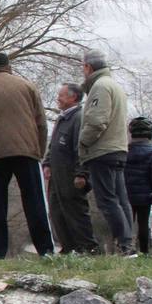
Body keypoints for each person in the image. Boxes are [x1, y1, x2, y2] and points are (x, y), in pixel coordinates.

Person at [0, 51, 55, 258]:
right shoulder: (27, 86)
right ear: (9, 66)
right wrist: (38, 151)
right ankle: (46, 250)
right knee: (35, 202)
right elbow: (41, 123)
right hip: (27, 151)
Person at [75, 48, 135, 255]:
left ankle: (125, 245)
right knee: (121, 199)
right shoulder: (114, 85)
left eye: (83, 67)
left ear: (88, 67)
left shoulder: (100, 87)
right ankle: (130, 245)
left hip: (103, 151)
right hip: (118, 149)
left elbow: (97, 121)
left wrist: (82, 143)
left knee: (107, 200)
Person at [42, 83, 97, 254]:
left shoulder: (78, 118)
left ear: (73, 98)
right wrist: (47, 163)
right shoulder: (62, 118)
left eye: (62, 95)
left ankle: (87, 248)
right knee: (57, 212)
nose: (58, 98)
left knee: (76, 212)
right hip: (57, 176)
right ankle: (68, 248)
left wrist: (81, 173)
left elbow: (82, 148)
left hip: (71, 175)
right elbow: (53, 146)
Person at [125, 117, 152, 252]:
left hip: (126, 195)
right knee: (143, 223)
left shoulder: (124, 154)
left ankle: (126, 248)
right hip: (145, 196)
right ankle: (144, 250)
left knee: (126, 222)